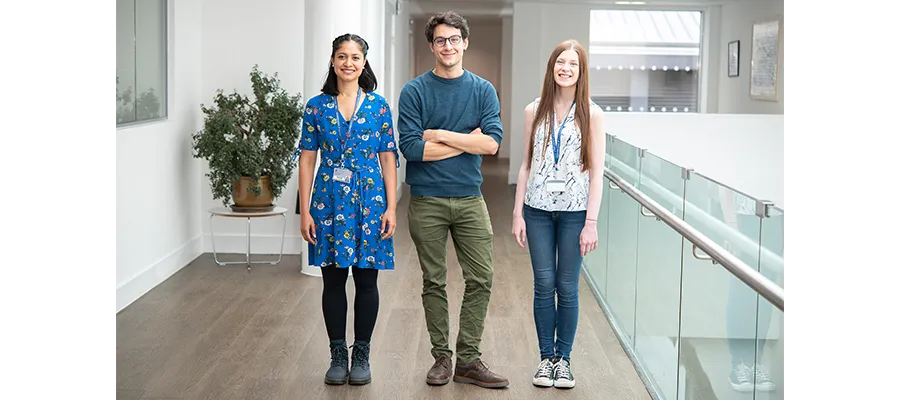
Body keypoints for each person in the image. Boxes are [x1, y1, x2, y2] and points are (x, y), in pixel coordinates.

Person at [397, 11, 508, 389]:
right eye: (441, 40)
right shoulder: (414, 91)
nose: (448, 46)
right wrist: (466, 141)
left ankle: (469, 359)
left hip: (469, 198)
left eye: (454, 39)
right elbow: (411, 149)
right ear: (432, 46)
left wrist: (441, 135)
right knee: (434, 281)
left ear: (465, 43)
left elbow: (492, 143)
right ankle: (442, 358)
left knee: (482, 278)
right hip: (426, 200)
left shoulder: (482, 90)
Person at [296, 33, 399, 387]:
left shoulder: (378, 106)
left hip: (370, 201)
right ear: (332, 60)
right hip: (328, 200)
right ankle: (338, 354)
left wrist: (392, 208)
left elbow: (388, 158)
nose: (349, 63)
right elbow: (307, 159)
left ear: (364, 62)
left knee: (367, 279)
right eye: (342, 56)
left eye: (355, 57)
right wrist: (305, 210)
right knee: (333, 279)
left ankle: (362, 354)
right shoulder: (316, 106)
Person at [510, 39, 605, 389]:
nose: (566, 69)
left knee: (566, 287)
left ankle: (564, 361)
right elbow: (525, 165)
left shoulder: (592, 114)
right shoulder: (533, 110)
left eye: (573, 64)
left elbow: (598, 171)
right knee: (543, 284)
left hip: (574, 213)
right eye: (560, 63)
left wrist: (591, 223)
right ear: (552, 68)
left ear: (581, 72)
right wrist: (518, 213)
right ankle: (545, 359)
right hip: (536, 211)